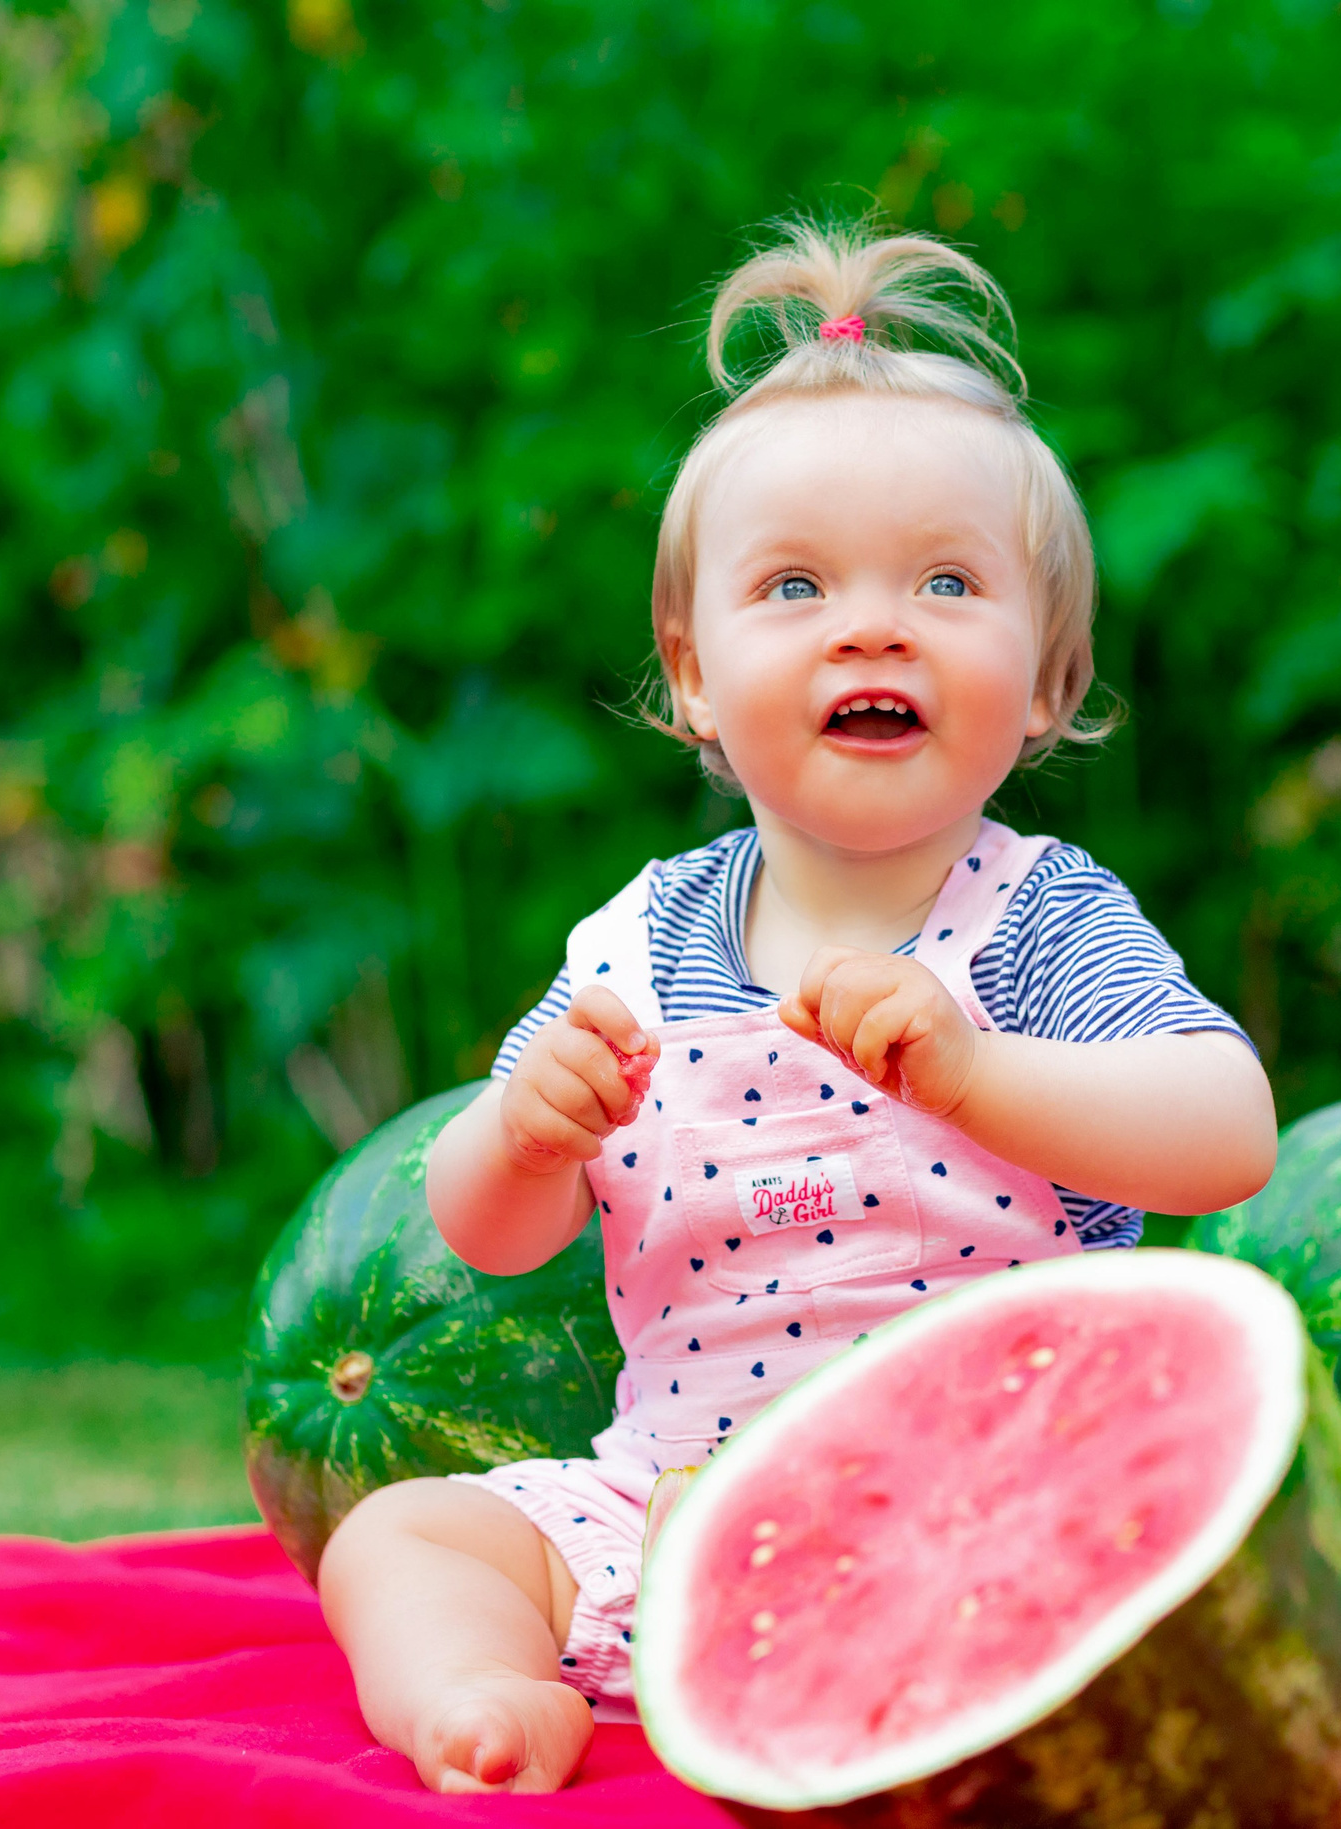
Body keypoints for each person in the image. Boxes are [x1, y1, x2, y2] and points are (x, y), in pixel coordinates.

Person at [314, 219, 1279, 1794]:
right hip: (678, 1503)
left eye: (948, 581)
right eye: (796, 585)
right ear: (695, 673)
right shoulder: (630, 941)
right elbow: (479, 1229)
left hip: (986, 1502)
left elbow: (1225, 1132)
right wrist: (526, 1127)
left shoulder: (1039, 922)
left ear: (1044, 679)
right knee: (404, 1532)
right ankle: (479, 1694)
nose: (872, 623)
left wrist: (979, 1073)